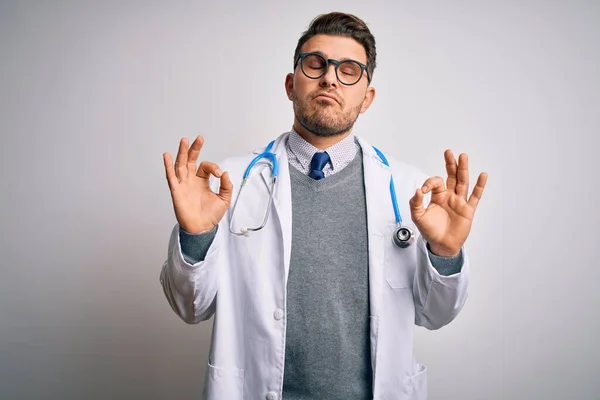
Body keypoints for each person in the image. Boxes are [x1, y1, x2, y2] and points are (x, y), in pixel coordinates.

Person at [160, 11, 487, 400]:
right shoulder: (229, 184)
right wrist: (195, 236)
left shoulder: (409, 190)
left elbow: (436, 314)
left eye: (349, 70)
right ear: (290, 84)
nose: (330, 78)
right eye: (315, 64)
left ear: (366, 98)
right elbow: (190, 307)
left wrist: (446, 253)